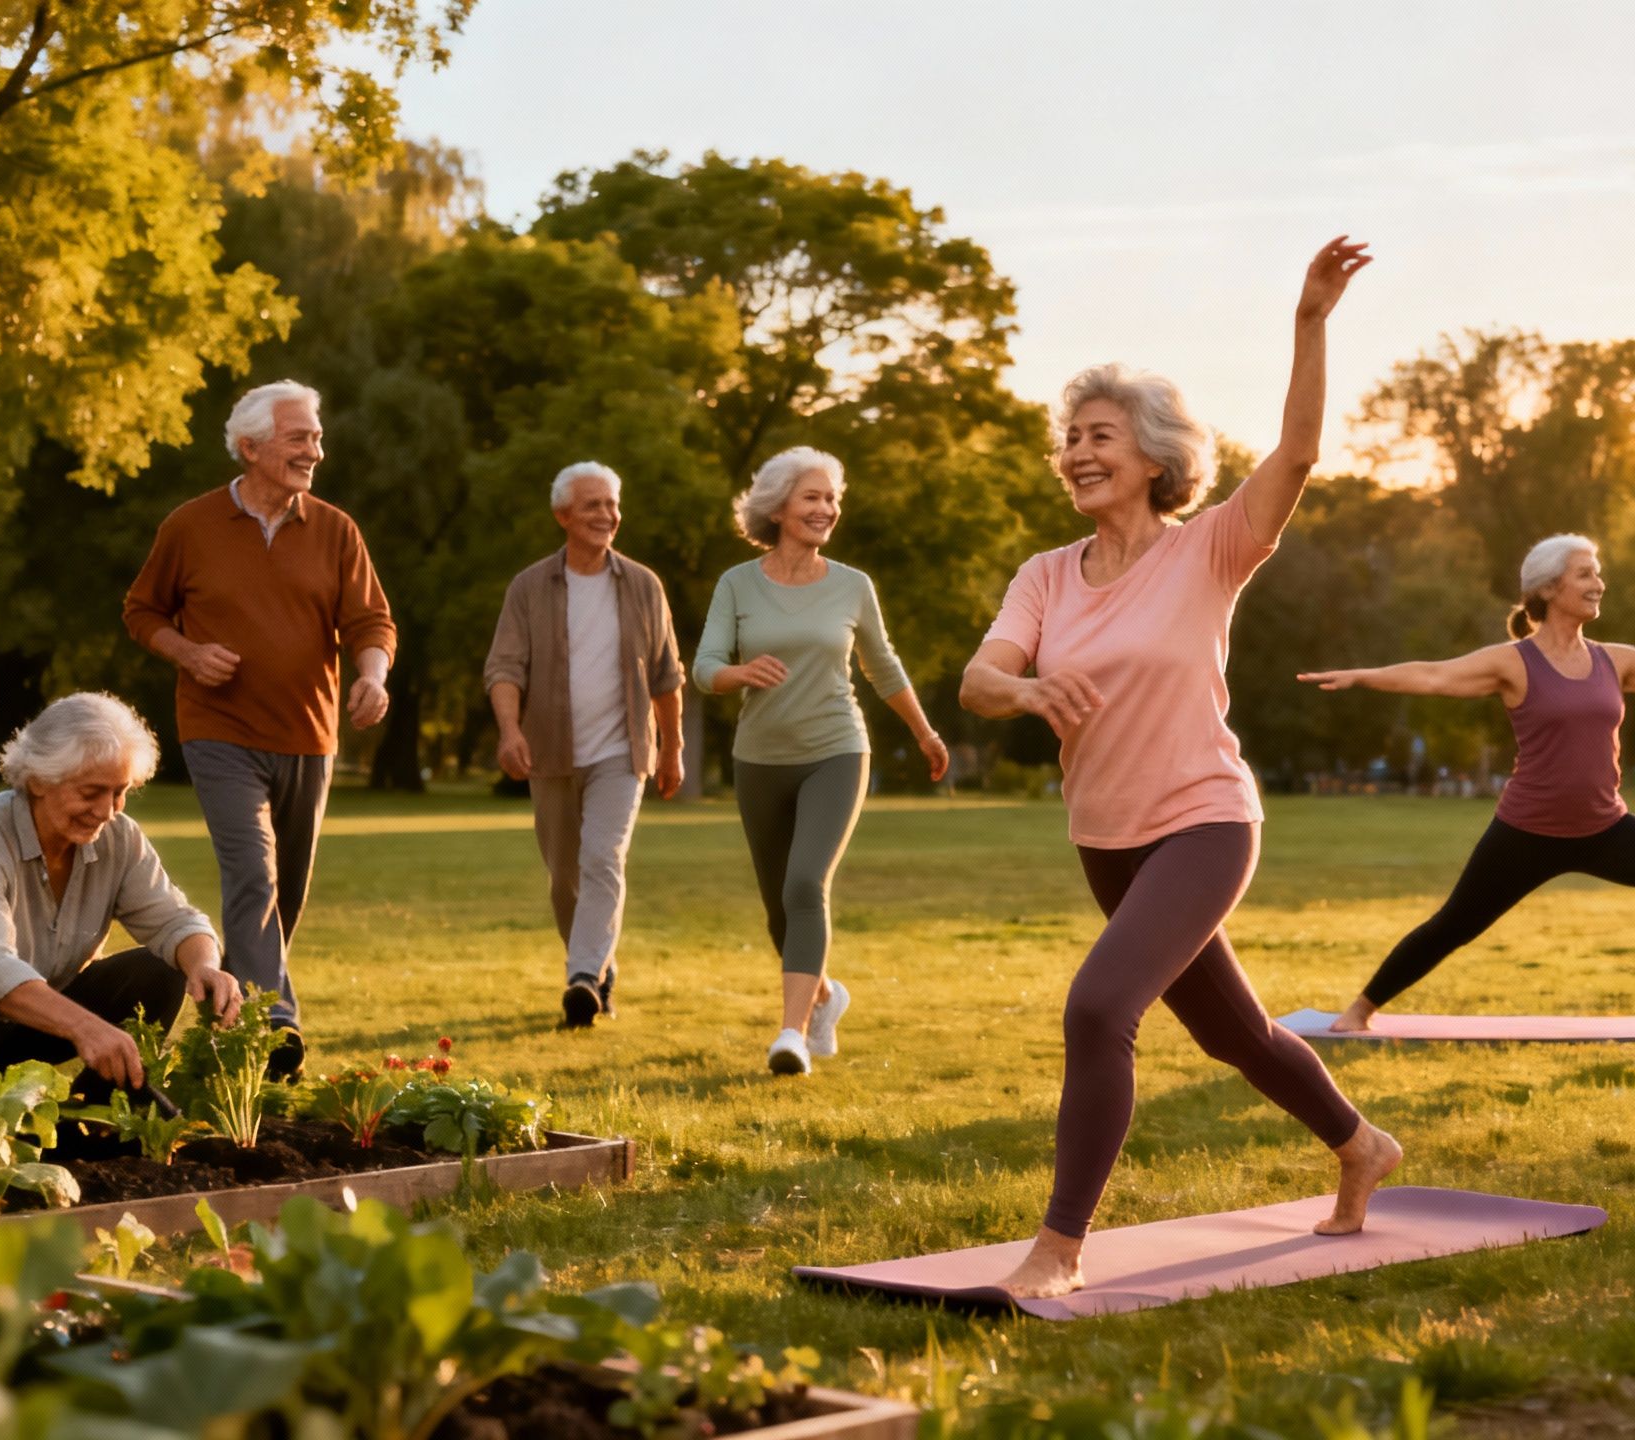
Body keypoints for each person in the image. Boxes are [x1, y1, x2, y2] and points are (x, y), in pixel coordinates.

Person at [961, 238, 1401, 1299]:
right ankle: (1361, 1145)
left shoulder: (1208, 548)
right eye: (1070, 438)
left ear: (1153, 459)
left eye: (1100, 436)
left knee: (1097, 1009)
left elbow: (1297, 455)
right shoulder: (1043, 576)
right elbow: (979, 680)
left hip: (1203, 823)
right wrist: (1024, 692)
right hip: (1106, 838)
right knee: (1235, 1035)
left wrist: (1309, 322)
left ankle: (1058, 1249)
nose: (1076, 452)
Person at [1298, 534, 1635, 1034]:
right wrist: (1363, 676)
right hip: (1526, 833)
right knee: (1454, 925)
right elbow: (1435, 675)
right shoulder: (1514, 662)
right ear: (1548, 588)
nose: (1598, 584)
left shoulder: (1613, 661)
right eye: (1585, 574)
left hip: (1605, 830)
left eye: (1598, 574)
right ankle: (1359, 1010)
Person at [122, 380, 395, 1081]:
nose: (315, 452)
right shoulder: (190, 526)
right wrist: (188, 653)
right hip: (218, 730)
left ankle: (235, 1019)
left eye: (317, 438)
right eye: (300, 438)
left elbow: (371, 622)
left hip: (308, 734)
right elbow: (142, 611)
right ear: (250, 447)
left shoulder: (335, 530)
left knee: (285, 892)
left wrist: (372, 676)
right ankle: (276, 1023)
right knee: (252, 871)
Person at [695, 447, 951, 1075]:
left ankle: (791, 1034)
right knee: (778, 911)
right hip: (759, 758)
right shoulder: (737, 583)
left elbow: (882, 665)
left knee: (805, 884)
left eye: (833, 498)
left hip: (836, 749)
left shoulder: (852, 585)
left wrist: (924, 732)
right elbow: (704, 667)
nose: (827, 508)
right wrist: (738, 673)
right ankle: (825, 994)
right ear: (777, 507)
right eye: (812, 497)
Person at [0, 694, 242, 1095]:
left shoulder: (120, 837)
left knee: (162, 971)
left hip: (34, 1016)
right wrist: (86, 1027)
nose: (107, 810)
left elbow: (176, 921)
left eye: (119, 791)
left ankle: (97, 1114)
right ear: (38, 780)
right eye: (91, 792)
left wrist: (204, 965)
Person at [484, 461, 687, 1030]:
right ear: (563, 515)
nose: (607, 515)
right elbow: (504, 667)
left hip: (622, 751)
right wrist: (510, 730)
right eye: (593, 505)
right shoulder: (530, 587)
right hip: (549, 750)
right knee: (564, 878)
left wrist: (673, 747)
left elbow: (667, 676)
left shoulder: (643, 585)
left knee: (602, 859)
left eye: (612, 504)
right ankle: (601, 966)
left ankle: (582, 978)